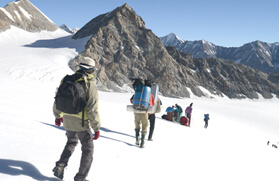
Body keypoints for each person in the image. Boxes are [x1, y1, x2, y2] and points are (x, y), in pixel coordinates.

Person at [52, 57, 101, 181]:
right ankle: (81, 177)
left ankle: (61, 164)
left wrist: (58, 116)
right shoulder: (89, 83)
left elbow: (58, 99)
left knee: (71, 142)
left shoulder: (67, 79)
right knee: (88, 149)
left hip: (68, 120)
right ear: (91, 70)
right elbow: (93, 108)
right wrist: (96, 128)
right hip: (82, 123)